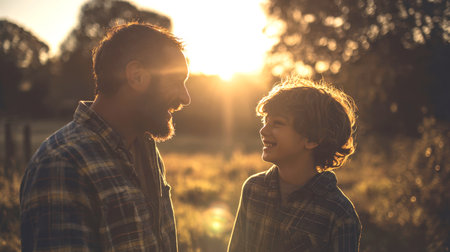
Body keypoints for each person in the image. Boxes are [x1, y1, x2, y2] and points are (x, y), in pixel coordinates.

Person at [20, 22, 190, 251]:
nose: (185, 97)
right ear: (136, 76)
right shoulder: (62, 164)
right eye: (176, 82)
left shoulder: (146, 149)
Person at [228, 78, 361, 252]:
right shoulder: (253, 188)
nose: (263, 130)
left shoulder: (339, 214)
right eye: (265, 121)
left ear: (312, 139)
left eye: (277, 123)